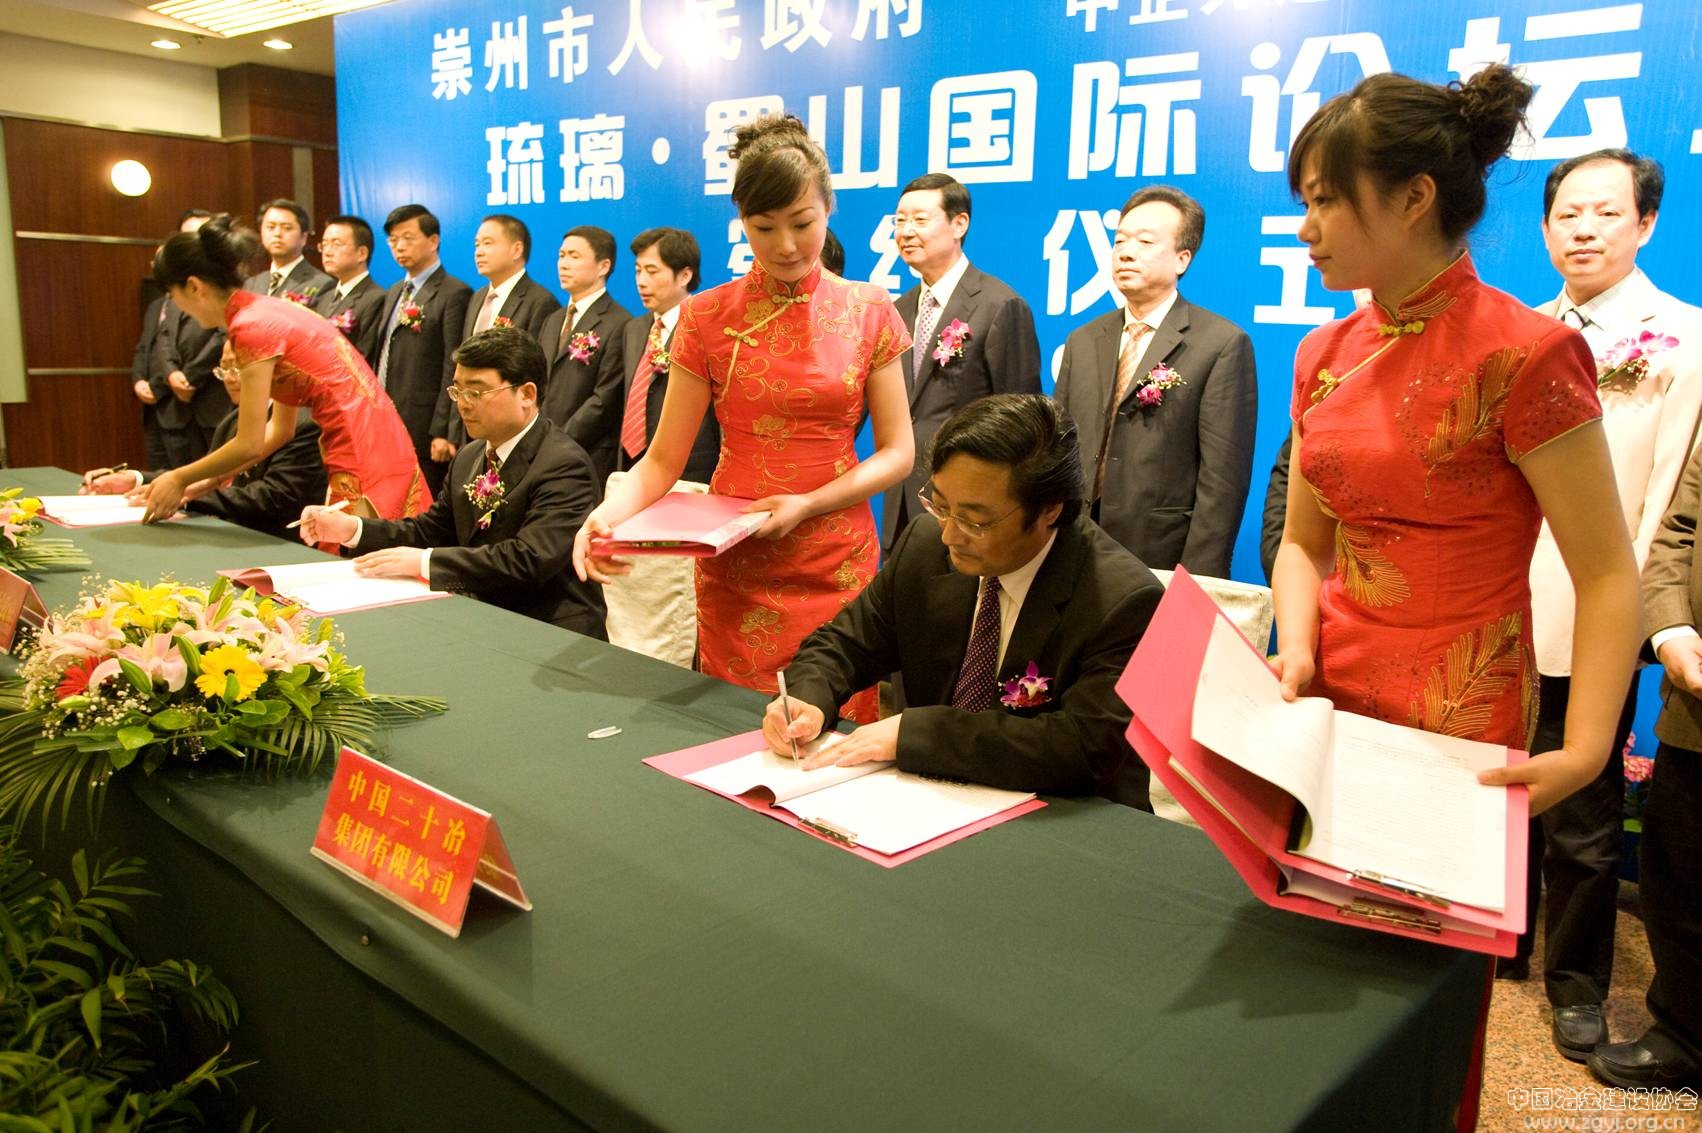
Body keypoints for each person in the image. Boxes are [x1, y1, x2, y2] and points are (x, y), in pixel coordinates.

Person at [1270, 65, 1643, 1126]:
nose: (1305, 227)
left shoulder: (1525, 353)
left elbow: (1606, 569)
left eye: (1324, 200)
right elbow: (1301, 543)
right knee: (1305, 974)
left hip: (1456, 721)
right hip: (1328, 705)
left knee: (1414, 1001)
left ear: (1412, 197)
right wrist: (1295, 646)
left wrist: (1586, 749)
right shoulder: (1323, 353)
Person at [574, 114, 914, 714]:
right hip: (737, 557)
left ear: (829, 208)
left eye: (802, 223)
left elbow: (898, 453)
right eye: (764, 227)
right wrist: (604, 519)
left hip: (837, 555)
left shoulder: (869, 309)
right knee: (731, 727)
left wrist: (807, 504)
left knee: (833, 725)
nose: (785, 245)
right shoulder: (706, 316)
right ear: (741, 219)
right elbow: (662, 461)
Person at [1515, 148, 1702, 1055]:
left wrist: (1636, 611)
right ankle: (1500, 942)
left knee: (1582, 806)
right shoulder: (1522, 328)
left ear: (1646, 223)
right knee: (1499, 781)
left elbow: (1669, 493)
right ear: (1545, 227)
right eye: (1567, 214)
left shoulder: (1685, 336)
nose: (1583, 230)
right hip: (1503, 601)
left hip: (1597, 604)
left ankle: (1577, 979)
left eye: (1605, 212)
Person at [765, 394, 1164, 807]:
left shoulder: (1121, 599)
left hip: (1064, 814)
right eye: (941, 506)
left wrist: (916, 734)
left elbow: (1082, 747)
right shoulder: (925, 545)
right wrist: (807, 697)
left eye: (976, 521)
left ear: (1049, 510)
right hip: (932, 800)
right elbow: (847, 643)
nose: (949, 535)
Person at [298, 326, 606, 639]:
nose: (463, 404)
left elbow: (528, 560)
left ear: (527, 394)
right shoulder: (469, 457)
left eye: (476, 392)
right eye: (458, 391)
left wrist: (423, 562)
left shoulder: (563, 464)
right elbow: (430, 531)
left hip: (550, 627)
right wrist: (351, 529)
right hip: (483, 615)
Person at [137, 215, 430, 529]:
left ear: (194, 287)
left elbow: (248, 443)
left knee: (360, 547)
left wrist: (179, 478)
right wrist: (209, 479)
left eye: (173, 295)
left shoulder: (250, 327)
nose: (177, 306)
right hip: (375, 434)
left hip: (356, 444)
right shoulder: (265, 309)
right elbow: (279, 431)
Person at [1054, 186, 1258, 578]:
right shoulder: (1083, 340)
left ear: (1183, 258)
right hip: (1073, 545)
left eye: (1145, 242)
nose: (1126, 253)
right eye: (1120, 241)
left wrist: (1197, 578)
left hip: (1160, 553)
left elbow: (1223, 480)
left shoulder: (1220, 344)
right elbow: (1058, 447)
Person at [1608, 442, 1702, 1090]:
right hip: (1696, 708)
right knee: (1677, 877)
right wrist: (1671, 631)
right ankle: (1683, 1034)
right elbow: (1679, 532)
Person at [883, 172, 1040, 551]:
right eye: (900, 221)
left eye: (920, 220)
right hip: (900, 501)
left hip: (968, 507)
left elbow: (1022, 421)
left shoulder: (999, 305)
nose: (906, 231)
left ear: (959, 224)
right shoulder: (897, 310)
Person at [82, 363, 326, 541]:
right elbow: (208, 470)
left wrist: (185, 492)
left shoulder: (304, 423)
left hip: (268, 540)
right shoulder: (234, 417)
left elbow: (270, 495)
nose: (229, 378)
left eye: (237, 368)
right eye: (223, 369)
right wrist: (139, 479)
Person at [375, 203, 473, 497]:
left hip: (424, 426)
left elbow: (452, 364)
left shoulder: (453, 292)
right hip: (386, 420)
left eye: (408, 238)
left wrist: (442, 430)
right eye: (393, 240)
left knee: (422, 502)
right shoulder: (393, 291)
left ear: (433, 241)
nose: (399, 246)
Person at [444, 214, 562, 449]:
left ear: (517, 249)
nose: (479, 252)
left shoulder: (540, 301)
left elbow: (535, 373)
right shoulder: (477, 297)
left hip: (510, 431)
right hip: (471, 429)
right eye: (477, 244)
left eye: (488, 243)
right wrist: (453, 433)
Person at [537, 226, 631, 479]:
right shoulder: (553, 320)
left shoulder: (619, 323)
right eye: (561, 255)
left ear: (603, 266)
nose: (563, 264)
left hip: (587, 454)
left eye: (574, 256)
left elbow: (604, 399)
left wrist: (558, 441)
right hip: (541, 450)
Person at [312, 215, 389, 368]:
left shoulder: (376, 298)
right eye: (324, 244)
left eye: (336, 244)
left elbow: (365, 358)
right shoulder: (325, 297)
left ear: (362, 253)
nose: (327, 252)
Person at [243, 198, 332, 303]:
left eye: (287, 228)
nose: (277, 234)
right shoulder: (251, 284)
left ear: (304, 237)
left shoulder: (322, 284)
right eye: (271, 227)